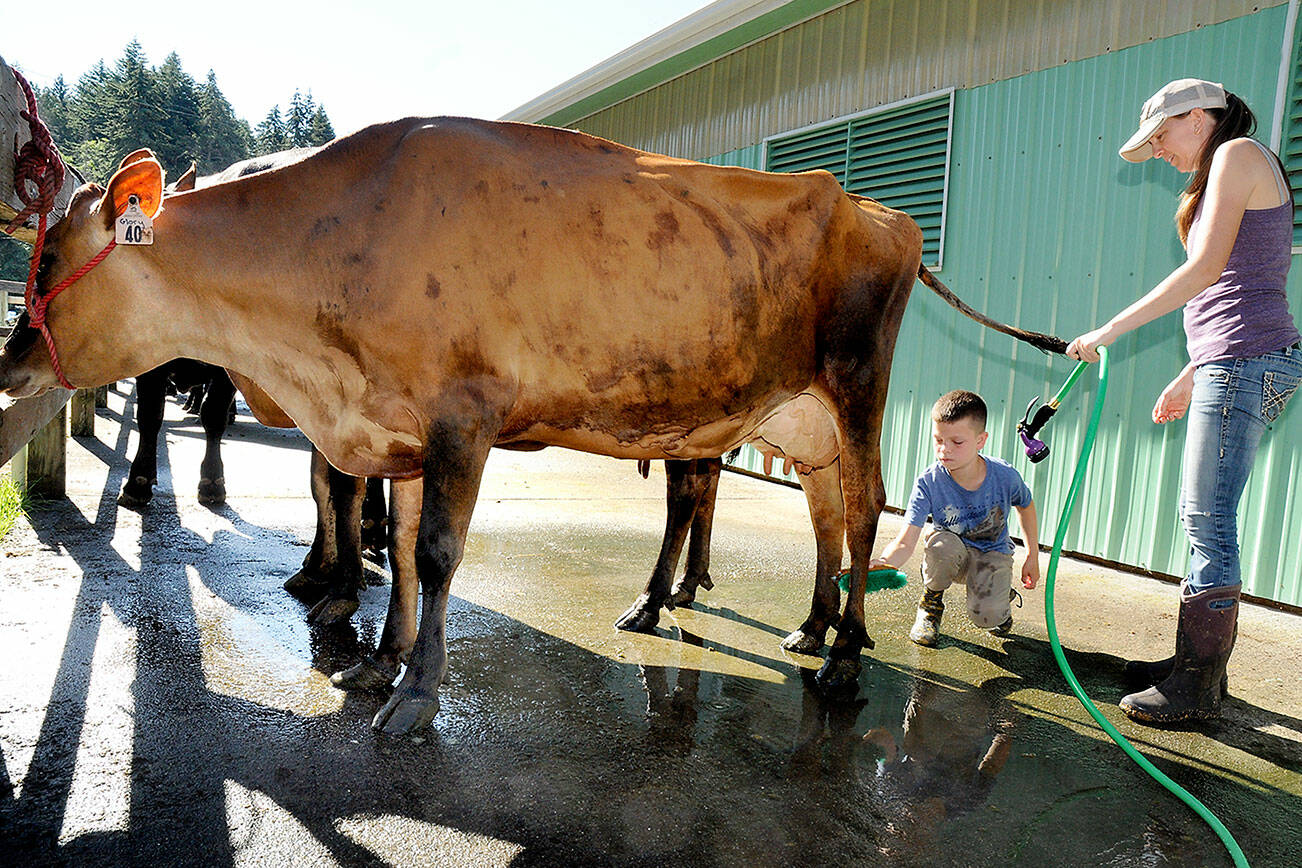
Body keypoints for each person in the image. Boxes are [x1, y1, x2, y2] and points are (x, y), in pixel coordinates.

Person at [1065, 79, 1302, 725]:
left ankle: (1196, 687)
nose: (1160, 150)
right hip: (1235, 359)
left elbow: (1203, 273)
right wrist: (1191, 372)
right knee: (1203, 515)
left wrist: (1108, 330)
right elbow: (1236, 285)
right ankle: (1189, 668)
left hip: (1248, 362)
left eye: (1161, 135)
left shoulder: (1238, 154)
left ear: (1197, 117)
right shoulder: (1226, 166)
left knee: (1208, 519)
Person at [869, 390, 1040, 646]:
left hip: (992, 554)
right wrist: (883, 561)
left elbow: (1026, 506)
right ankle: (930, 606)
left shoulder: (1004, 476)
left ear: (981, 440)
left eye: (957, 442)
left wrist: (1032, 555)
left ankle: (999, 598)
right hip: (952, 556)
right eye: (938, 439)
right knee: (940, 544)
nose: (944, 449)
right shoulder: (929, 482)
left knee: (988, 619)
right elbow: (905, 541)